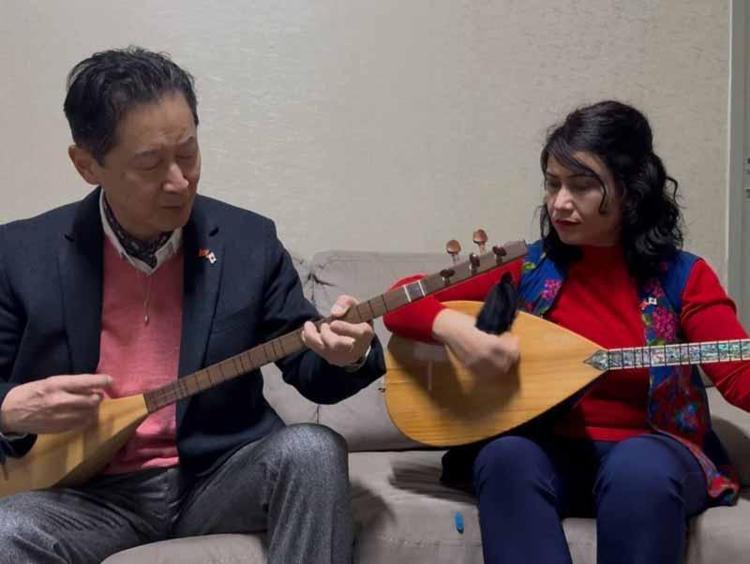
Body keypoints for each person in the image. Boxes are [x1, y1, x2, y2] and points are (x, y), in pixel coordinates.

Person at [0, 46, 385, 564]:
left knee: (313, 450)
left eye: (188, 153)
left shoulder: (247, 242)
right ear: (87, 165)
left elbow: (310, 367)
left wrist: (349, 354)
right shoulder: (21, 254)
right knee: (7, 531)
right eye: (150, 164)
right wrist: (9, 411)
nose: (180, 181)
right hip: (91, 496)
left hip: (216, 477)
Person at [383, 100, 750, 564]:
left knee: (637, 468)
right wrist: (458, 331)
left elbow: (739, 376)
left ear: (631, 191)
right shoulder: (529, 267)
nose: (559, 203)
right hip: (552, 455)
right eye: (553, 184)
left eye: (581, 186)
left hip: (655, 457)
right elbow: (398, 300)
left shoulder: (683, 277)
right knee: (505, 456)